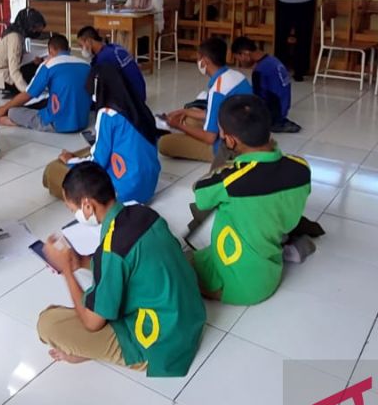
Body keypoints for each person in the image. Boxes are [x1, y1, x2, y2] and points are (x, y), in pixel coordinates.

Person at [36, 163, 205, 377]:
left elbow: (92, 323)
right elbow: (123, 260)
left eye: (73, 210)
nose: (75, 214)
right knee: (98, 296)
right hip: (188, 318)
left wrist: (67, 272)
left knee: (48, 323)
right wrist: (78, 261)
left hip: (160, 343)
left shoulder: (113, 248)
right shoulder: (143, 213)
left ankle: (100, 351)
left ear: (87, 205)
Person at [190, 95, 312, 305]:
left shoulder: (231, 180)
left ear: (231, 140)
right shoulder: (301, 168)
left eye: (222, 132)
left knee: (179, 264)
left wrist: (228, 165)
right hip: (270, 272)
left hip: (237, 286)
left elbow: (199, 194)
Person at [43, 64, 160, 205]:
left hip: (121, 194)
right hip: (148, 188)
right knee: (89, 152)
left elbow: (97, 163)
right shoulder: (140, 107)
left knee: (53, 170)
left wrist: (70, 161)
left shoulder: (107, 113)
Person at [159, 37, 252, 166]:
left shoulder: (218, 90)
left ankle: (180, 132)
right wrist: (184, 111)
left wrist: (178, 126)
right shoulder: (237, 76)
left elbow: (210, 138)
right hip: (248, 135)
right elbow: (213, 112)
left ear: (205, 61)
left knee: (164, 143)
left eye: (199, 58)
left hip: (230, 149)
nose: (198, 62)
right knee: (188, 118)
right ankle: (185, 127)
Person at [0, 34, 91, 134]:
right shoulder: (85, 64)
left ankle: (15, 121)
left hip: (57, 124)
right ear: (69, 49)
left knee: (13, 112)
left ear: (50, 51)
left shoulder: (48, 65)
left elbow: (28, 95)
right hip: (83, 122)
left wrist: (4, 108)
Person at [230, 36, 302, 133]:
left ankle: (274, 123)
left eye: (239, 59)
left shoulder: (260, 70)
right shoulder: (272, 60)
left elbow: (259, 100)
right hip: (282, 107)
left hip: (273, 114)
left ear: (245, 54)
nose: (240, 63)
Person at [0, 7, 47, 97]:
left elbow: (21, 56)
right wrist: (27, 92)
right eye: (35, 29)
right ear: (28, 25)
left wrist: (34, 60)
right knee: (35, 70)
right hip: (1, 76)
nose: (35, 32)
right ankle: (16, 89)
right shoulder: (15, 38)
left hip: (3, 70)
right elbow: (14, 70)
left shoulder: (18, 33)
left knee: (38, 65)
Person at [76, 25, 147, 103]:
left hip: (132, 101)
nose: (81, 50)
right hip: (140, 93)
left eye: (81, 46)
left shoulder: (103, 59)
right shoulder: (114, 47)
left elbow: (99, 88)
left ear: (89, 41)